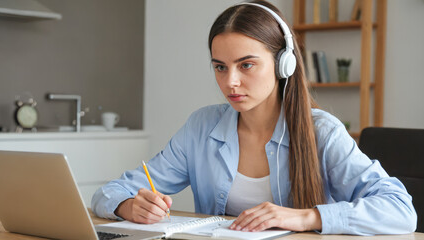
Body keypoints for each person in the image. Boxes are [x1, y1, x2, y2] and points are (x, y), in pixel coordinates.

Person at [92, 0, 417, 235]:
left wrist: (306, 218)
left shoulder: (323, 132)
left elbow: (400, 210)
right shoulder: (201, 127)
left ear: (283, 65)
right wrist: (127, 206)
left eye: (246, 65)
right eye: (220, 67)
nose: (230, 81)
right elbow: (110, 191)